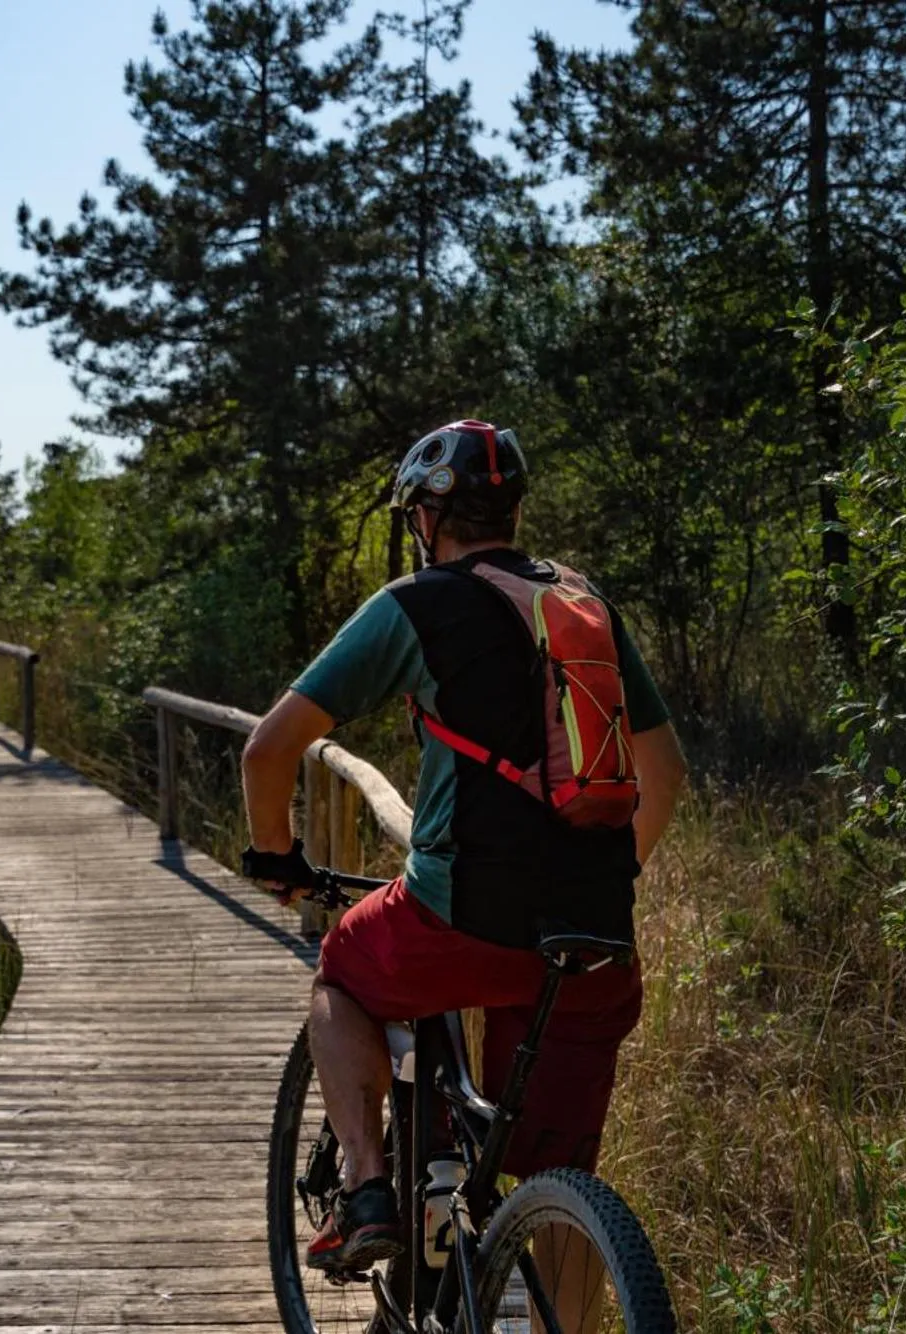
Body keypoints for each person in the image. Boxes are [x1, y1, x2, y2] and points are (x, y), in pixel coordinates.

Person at [239, 420, 687, 1326]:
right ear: (512, 511)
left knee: (341, 974)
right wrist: (603, 881)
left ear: (425, 517)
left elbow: (269, 749)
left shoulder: (416, 604)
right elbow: (665, 771)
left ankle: (368, 1188)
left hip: (459, 919)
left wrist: (276, 857)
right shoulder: (582, 604)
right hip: (591, 933)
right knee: (560, 1171)